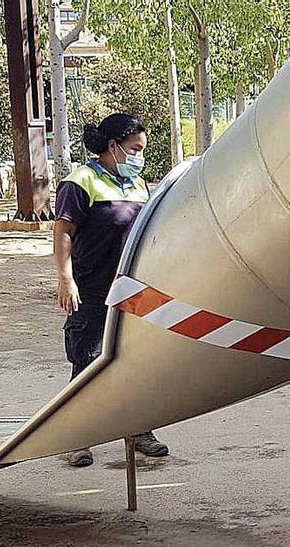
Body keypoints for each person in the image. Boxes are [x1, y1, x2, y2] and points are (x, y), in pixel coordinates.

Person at [52, 113, 171, 467]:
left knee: (135, 363)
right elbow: (63, 233)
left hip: (131, 292)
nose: (139, 157)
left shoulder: (138, 186)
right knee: (86, 363)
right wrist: (64, 278)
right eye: (135, 149)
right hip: (91, 290)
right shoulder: (80, 181)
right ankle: (78, 436)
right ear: (113, 146)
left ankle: (137, 431)